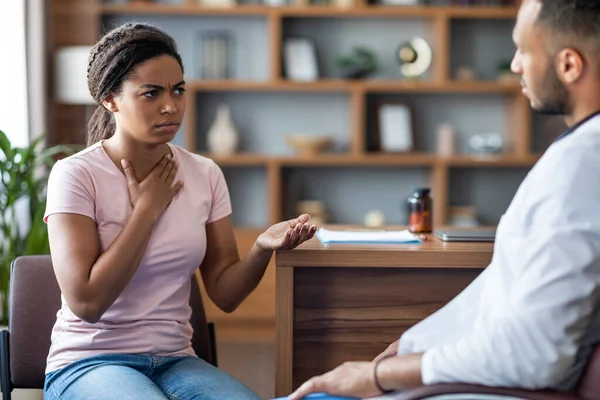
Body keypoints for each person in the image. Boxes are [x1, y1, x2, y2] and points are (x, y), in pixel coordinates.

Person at [289, 0, 600, 398]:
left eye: (523, 49)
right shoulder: (575, 154)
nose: (516, 65)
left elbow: (532, 351)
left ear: (569, 65)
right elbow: (505, 283)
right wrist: (413, 344)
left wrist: (380, 377)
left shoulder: (579, 169)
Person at [43, 22, 317, 400]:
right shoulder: (75, 174)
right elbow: (87, 302)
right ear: (111, 99)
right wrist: (147, 211)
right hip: (89, 362)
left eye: (178, 90)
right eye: (151, 93)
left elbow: (225, 293)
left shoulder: (204, 173)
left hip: (176, 360)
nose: (170, 105)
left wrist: (261, 248)